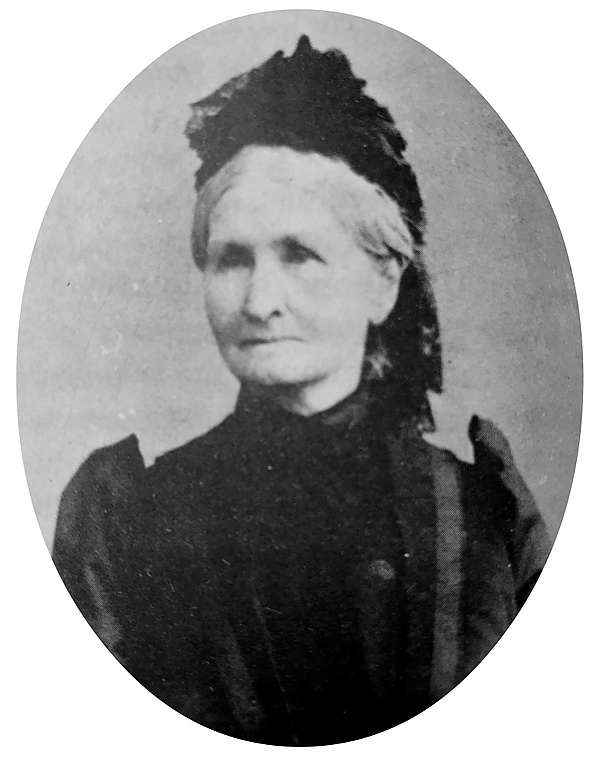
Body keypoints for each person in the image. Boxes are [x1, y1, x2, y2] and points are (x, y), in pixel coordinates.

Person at [52, 36, 551, 746]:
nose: (260, 301)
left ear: (383, 282)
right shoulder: (127, 517)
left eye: (300, 255)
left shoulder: (483, 515)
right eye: (232, 259)